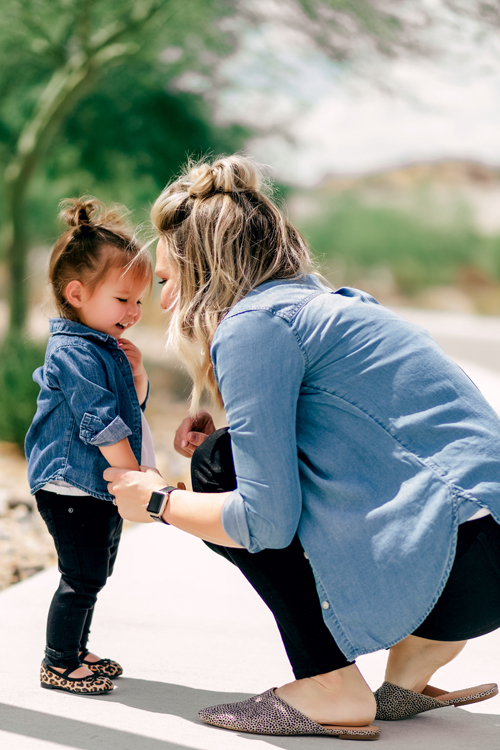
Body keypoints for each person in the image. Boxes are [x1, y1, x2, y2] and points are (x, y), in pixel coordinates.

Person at [105, 156, 500, 740]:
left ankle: (329, 685)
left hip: (456, 560)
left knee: (220, 468)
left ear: (207, 269)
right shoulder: (341, 304)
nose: (164, 302)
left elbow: (264, 520)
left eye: (167, 280)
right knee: (226, 451)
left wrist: (159, 501)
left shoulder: (253, 324)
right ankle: (409, 672)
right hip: (481, 563)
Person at [25, 198, 154, 695]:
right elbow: (99, 422)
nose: (134, 312)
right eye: (123, 299)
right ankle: (58, 662)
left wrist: (138, 373)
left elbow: (129, 410)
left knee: (96, 571)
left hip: (94, 485)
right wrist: (135, 477)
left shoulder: (104, 347)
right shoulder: (75, 350)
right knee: (81, 576)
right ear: (76, 293)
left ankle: (76, 647)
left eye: (139, 301)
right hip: (69, 484)